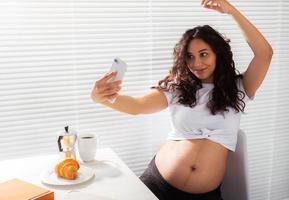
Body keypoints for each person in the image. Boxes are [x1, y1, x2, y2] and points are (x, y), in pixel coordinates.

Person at [91, 0, 273, 199]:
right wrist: (103, 99)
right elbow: (137, 106)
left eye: (203, 54)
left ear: (218, 55)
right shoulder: (178, 88)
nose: (196, 63)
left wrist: (231, 11)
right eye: (190, 56)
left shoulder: (239, 88)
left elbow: (264, 54)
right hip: (157, 184)